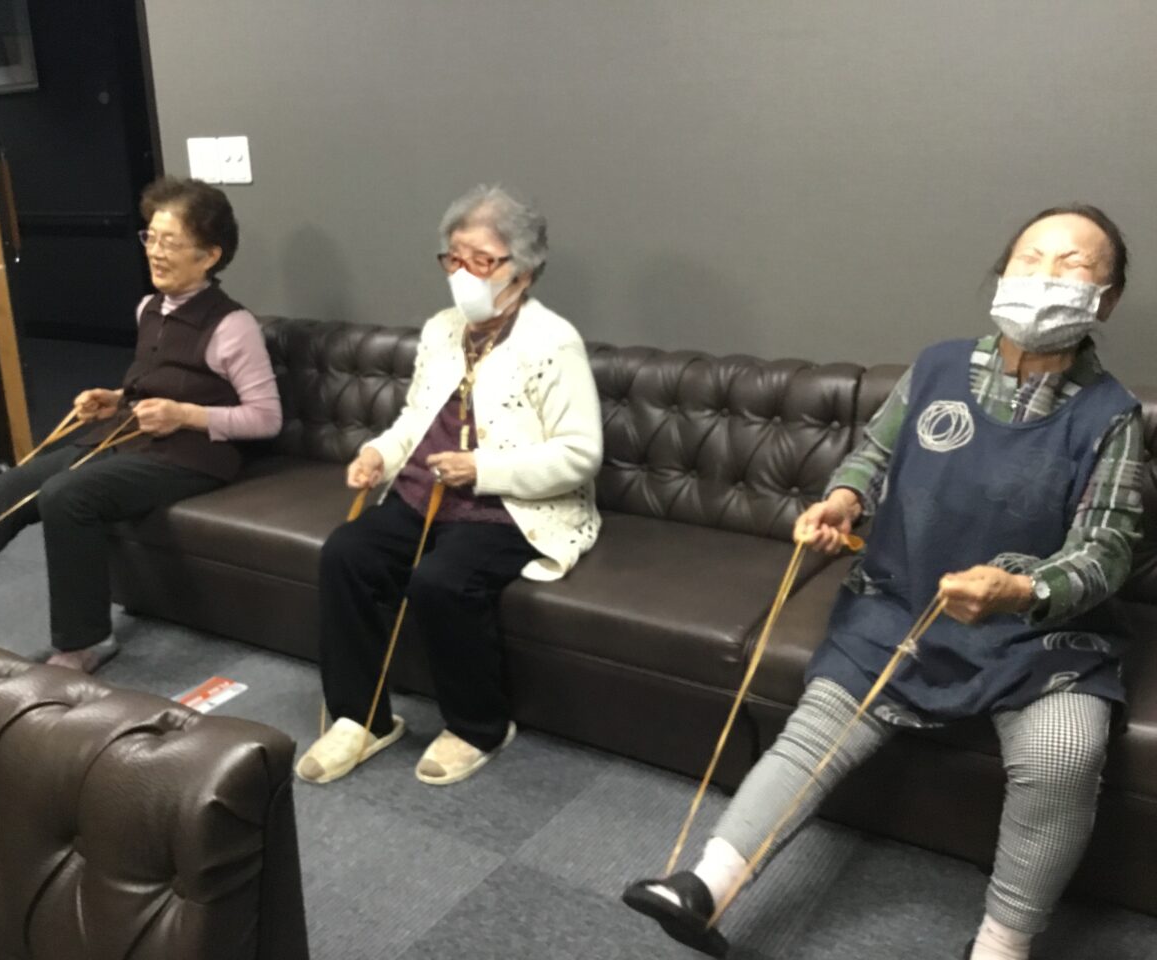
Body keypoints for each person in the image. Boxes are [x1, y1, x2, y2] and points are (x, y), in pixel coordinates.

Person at [622, 205, 1144, 960]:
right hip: (905, 605)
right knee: (818, 724)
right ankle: (704, 887)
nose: (1045, 277)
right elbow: (873, 455)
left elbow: (1105, 552)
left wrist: (1020, 592)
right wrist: (843, 500)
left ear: (1106, 298)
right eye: (1030, 258)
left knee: (1064, 755)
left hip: (1038, 634)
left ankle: (1002, 945)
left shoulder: (1110, 417)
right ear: (1002, 273)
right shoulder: (935, 369)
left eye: (1074, 266)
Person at [0, 177, 281, 673]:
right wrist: (116, 398)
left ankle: (86, 640)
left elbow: (266, 418)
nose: (155, 252)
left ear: (210, 255)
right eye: (150, 237)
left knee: (66, 495)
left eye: (170, 242)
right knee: (4, 492)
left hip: (192, 456)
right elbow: (155, 380)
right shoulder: (150, 307)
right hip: (127, 437)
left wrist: (185, 415)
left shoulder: (233, 325)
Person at [295, 184, 602, 787]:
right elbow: (416, 418)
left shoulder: (553, 342)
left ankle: (479, 726)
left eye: (481, 261)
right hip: (425, 493)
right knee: (346, 554)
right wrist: (379, 454)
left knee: (441, 580)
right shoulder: (442, 329)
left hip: (512, 506)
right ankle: (361, 718)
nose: (463, 274)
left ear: (523, 272)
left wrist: (482, 470)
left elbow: (580, 454)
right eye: (454, 259)